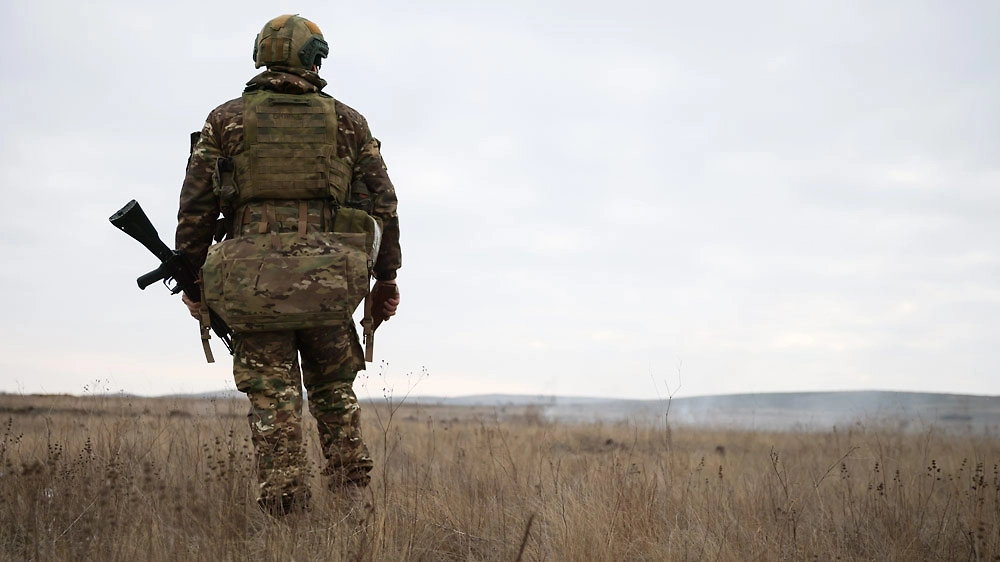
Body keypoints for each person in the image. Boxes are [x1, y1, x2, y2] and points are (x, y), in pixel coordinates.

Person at [174, 14, 401, 515]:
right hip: (329, 283)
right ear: (313, 58)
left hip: (251, 286)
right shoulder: (348, 122)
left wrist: (193, 283)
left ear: (262, 53)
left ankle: (286, 516)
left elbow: (195, 210)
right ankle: (351, 506)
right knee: (334, 393)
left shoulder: (225, 120)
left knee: (273, 402)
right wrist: (385, 279)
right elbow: (383, 206)